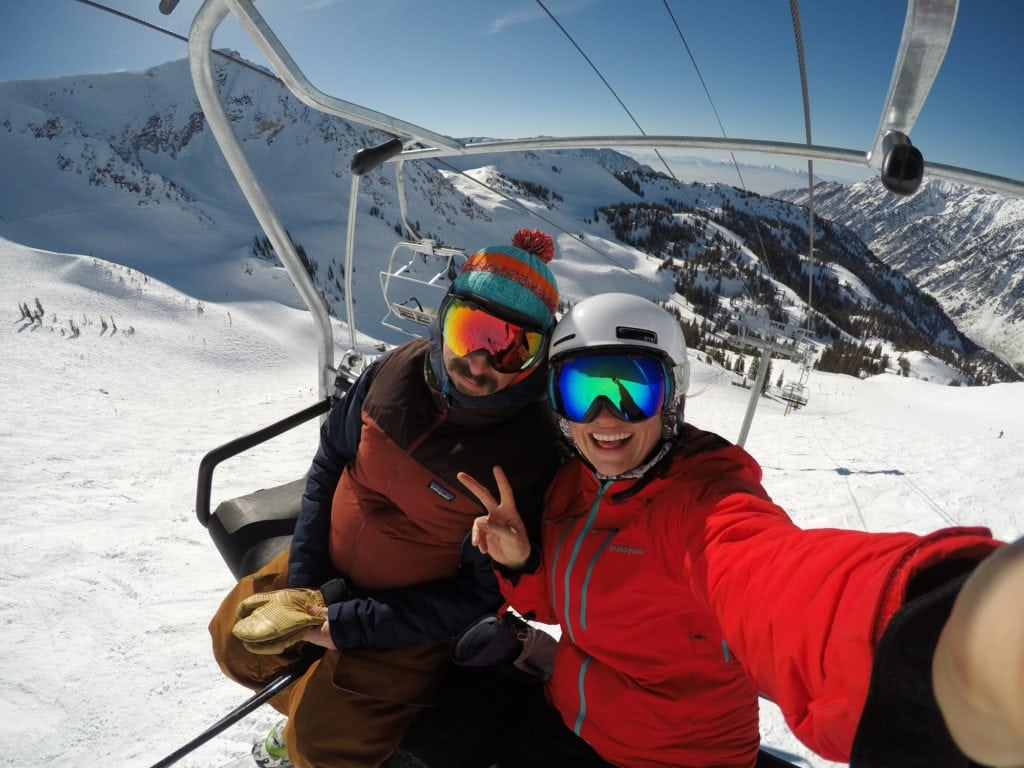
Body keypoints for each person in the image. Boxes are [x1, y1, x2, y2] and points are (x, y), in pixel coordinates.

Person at [456, 292, 1020, 768]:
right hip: (577, 725)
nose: (607, 414)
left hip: (682, 757)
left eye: (634, 389)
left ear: (670, 398)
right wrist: (522, 564)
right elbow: (565, 606)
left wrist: (933, 637)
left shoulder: (701, 504)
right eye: (583, 390)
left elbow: (772, 579)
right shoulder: (570, 489)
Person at [208, 229, 565, 768]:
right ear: (443, 317)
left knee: (321, 749)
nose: (480, 363)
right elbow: (331, 462)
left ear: (538, 357)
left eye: (515, 348)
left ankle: (311, 725)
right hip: (326, 565)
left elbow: (476, 596)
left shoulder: (525, 456)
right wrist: (305, 584)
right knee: (234, 643)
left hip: (403, 620)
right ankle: (304, 702)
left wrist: (342, 625)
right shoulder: (395, 372)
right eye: (470, 332)